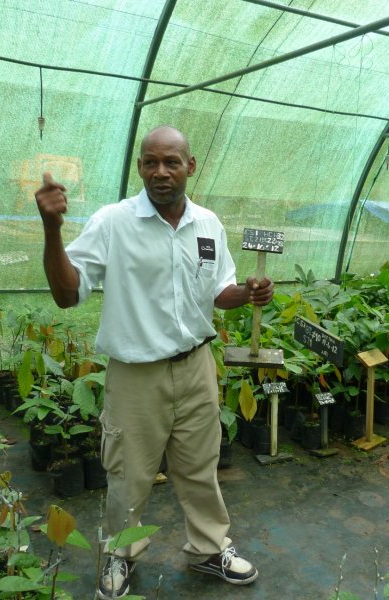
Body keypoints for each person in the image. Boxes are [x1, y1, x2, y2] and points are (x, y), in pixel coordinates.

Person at [34, 125, 271, 599]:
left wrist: (245, 293)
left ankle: (208, 548)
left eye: (171, 162)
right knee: (128, 474)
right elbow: (67, 294)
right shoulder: (113, 222)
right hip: (136, 375)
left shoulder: (208, 224)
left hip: (197, 367)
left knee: (201, 466)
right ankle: (119, 555)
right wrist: (52, 230)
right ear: (139, 166)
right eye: (150, 162)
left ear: (190, 166)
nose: (160, 172)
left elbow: (217, 292)